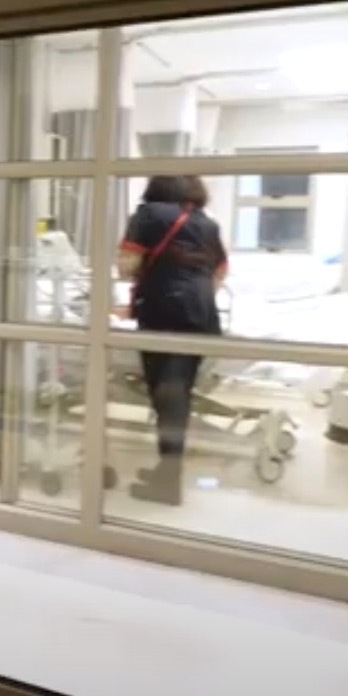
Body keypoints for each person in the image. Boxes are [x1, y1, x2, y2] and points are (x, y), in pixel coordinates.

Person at [117, 175, 228, 506]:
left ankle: (168, 482)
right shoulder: (207, 223)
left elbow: (127, 266)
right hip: (202, 317)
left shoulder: (147, 215)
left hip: (162, 314)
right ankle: (166, 472)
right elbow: (220, 272)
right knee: (177, 396)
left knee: (166, 398)